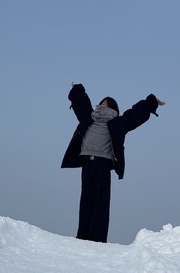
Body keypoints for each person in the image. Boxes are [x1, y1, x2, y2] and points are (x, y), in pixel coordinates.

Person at [61, 83, 165, 242]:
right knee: (86, 200)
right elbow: (81, 103)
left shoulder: (118, 123)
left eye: (107, 104)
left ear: (114, 109)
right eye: (102, 103)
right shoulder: (89, 116)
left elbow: (135, 114)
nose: (104, 105)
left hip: (103, 164)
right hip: (87, 161)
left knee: (101, 201)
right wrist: (77, 89)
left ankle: (98, 238)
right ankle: (82, 236)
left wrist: (152, 102)